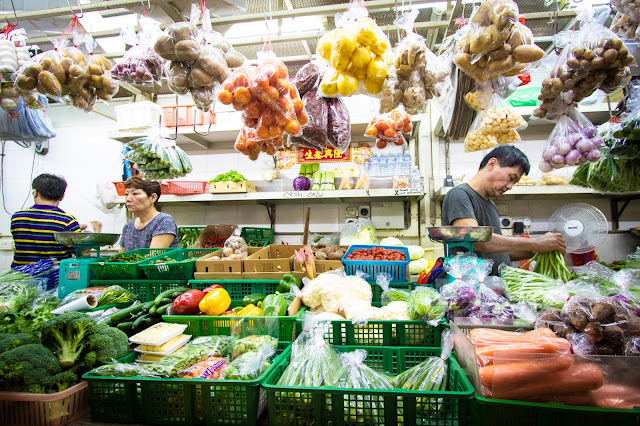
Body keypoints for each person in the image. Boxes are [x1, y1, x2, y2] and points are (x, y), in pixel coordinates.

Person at [441, 145, 566, 271]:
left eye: (514, 182)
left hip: (494, 284)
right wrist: (536, 242)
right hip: (472, 287)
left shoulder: (491, 204)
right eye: (511, 178)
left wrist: (536, 250)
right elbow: (476, 239)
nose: (510, 186)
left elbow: (497, 253)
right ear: (492, 164)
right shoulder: (460, 194)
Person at [10, 173, 82, 267]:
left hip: (21, 278)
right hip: (54, 279)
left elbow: (39, 231)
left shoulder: (17, 217)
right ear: (62, 197)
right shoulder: (67, 221)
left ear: (35, 193)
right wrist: (95, 233)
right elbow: (80, 252)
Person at [120, 177, 178, 251]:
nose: (128, 199)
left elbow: (153, 258)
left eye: (135, 193)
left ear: (153, 198)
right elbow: (122, 258)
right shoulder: (128, 227)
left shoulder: (164, 221)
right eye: (126, 194)